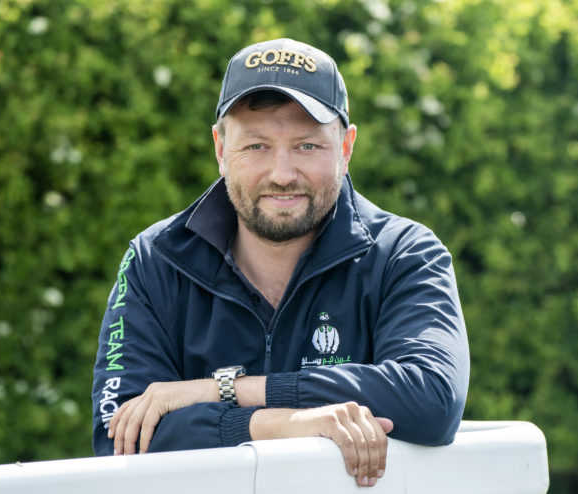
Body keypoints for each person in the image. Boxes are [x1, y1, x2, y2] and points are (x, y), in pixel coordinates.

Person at [91, 38, 469, 488]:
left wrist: (222, 391)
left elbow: (431, 399)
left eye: (307, 146)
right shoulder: (155, 259)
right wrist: (278, 425)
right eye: (257, 146)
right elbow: (120, 434)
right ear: (220, 148)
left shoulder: (404, 253)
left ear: (346, 148)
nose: (282, 173)